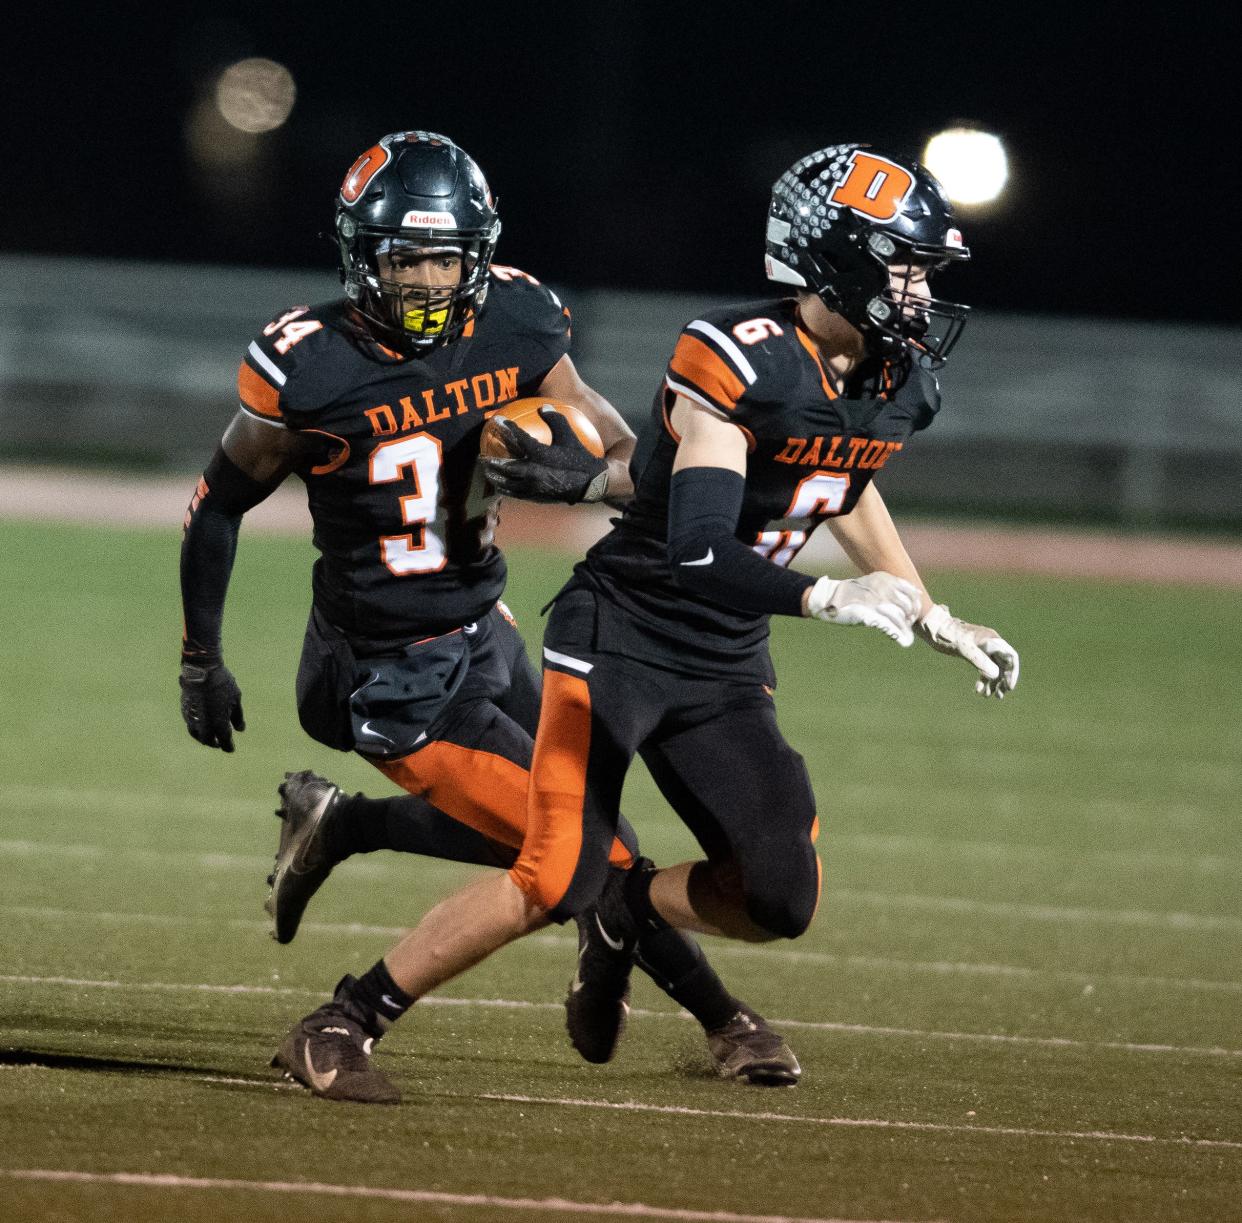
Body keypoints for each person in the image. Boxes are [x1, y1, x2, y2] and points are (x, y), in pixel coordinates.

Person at [178, 130, 799, 1104]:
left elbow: (621, 443)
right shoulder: (310, 364)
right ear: (358, 255)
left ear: (480, 253)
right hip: (384, 673)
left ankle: (341, 828)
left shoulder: (515, 318)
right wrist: (197, 655)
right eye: (402, 257)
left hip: (484, 625)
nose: (426, 278)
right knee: (593, 851)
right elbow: (218, 504)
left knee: (576, 838)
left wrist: (595, 471)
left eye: (444, 256)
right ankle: (720, 1018)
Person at [500, 142, 1021, 1042]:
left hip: (723, 656)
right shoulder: (739, 355)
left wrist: (927, 608)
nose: (924, 296)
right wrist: (828, 598)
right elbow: (700, 551)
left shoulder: (901, 379)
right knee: (557, 869)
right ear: (841, 261)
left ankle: (627, 908)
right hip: (626, 627)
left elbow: (843, 480)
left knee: (779, 894)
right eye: (907, 270)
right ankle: (357, 1008)